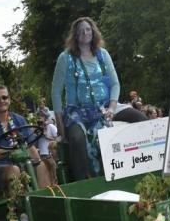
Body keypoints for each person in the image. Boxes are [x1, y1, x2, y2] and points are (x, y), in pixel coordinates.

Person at [51, 17, 146, 180]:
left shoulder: (103, 54)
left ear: (93, 31)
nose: (85, 33)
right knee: (77, 138)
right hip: (78, 111)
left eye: (88, 29)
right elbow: (55, 92)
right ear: (75, 35)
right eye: (80, 30)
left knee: (141, 119)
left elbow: (115, 84)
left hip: (106, 106)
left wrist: (112, 108)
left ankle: (144, 168)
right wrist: (61, 128)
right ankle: (83, 184)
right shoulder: (65, 58)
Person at [0, 85, 50, 190]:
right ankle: (19, 201)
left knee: (41, 165)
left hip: (20, 164)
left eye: (4, 97)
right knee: (14, 170)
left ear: (9, 100)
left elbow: (30, 147)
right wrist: (13, 152)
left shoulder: (19, 119)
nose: (1, 101)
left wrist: (37, 161)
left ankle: (44, 198)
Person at [36, 115, 59, 185]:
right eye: (39, 123)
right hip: (40, 155)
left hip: (50, 153)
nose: (41, 124)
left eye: (42, 122)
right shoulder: (37, 130)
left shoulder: (51, 126)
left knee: (52, 165)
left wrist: (47, 136)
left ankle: (55, 182)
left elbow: (58, 139)